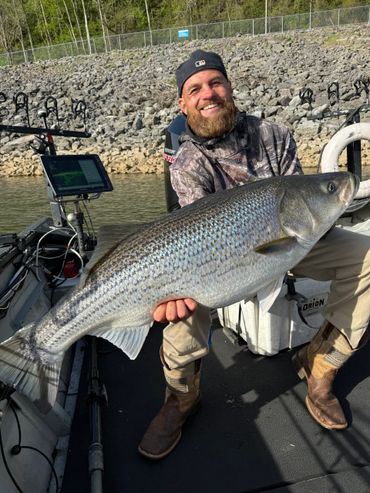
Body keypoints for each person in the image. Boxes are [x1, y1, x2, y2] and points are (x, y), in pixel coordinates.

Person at [138, 49, 370, 460]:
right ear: (183, 103)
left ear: (229, 87)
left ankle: (319, 367)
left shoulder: (273, 135)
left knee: (367, 255)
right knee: (179, 306)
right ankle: (181, 398)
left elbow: (304, 204)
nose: (207, 94)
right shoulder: (188, 161)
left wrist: (327, 207)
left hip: (288, 245)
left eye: (215, 83)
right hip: (215, 264)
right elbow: (195, 233)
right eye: (195, 89)